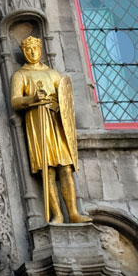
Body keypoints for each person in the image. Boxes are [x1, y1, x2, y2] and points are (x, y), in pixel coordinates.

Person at [9, 35, 89, 225]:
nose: (32, 52)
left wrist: (58, 104)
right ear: (23, 52)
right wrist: (32, 99)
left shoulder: (52, 74)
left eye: (35, 48)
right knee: (48, 170)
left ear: (41, 48)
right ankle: (57, 215)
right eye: (27, 50)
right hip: (37, 125)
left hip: (56, 124)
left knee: (65, 168)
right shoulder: (20, 75)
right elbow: (15, 101)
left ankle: (73, 212)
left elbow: (65, 96)